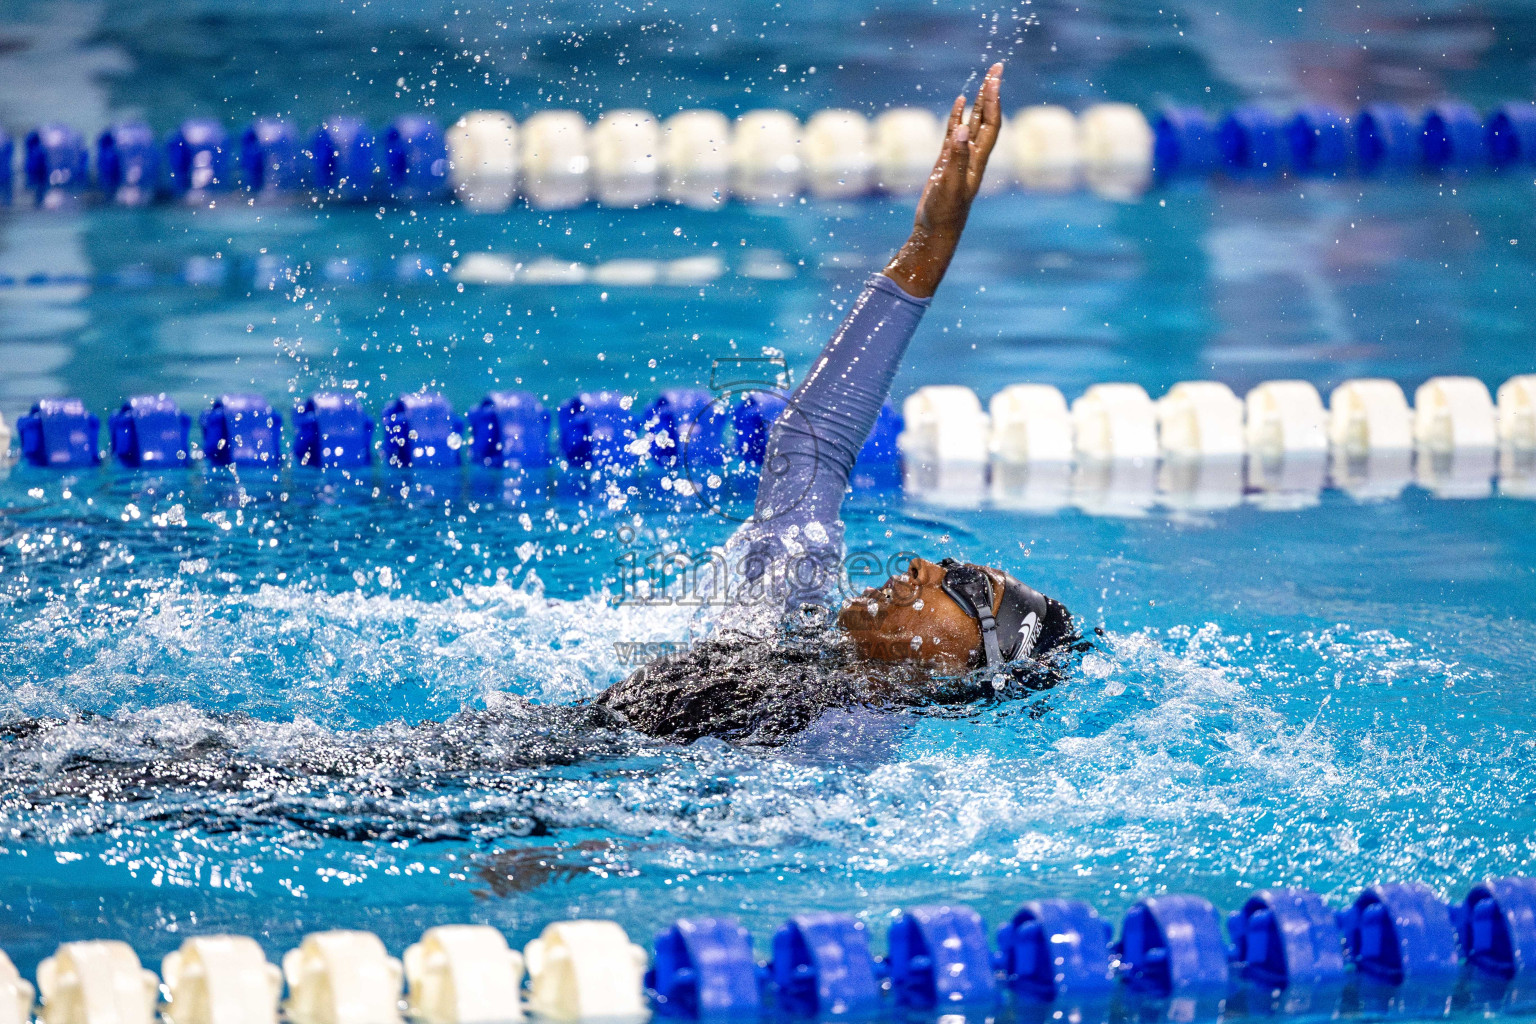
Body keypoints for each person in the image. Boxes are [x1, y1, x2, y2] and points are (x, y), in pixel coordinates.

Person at [598, 63, 1082, 745]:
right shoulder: (789, 624)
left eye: (968, 586)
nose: (924, 566)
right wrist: (929, 242)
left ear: (964, 668)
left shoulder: (845, 744)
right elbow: (809, 448)